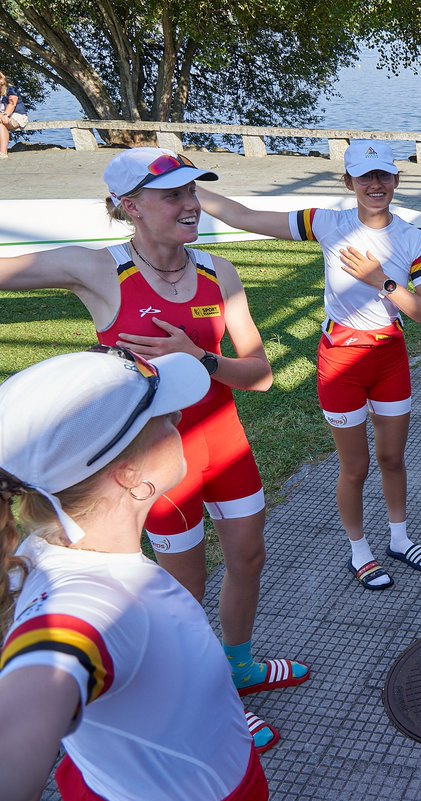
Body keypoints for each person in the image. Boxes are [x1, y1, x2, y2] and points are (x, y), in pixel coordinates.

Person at [0, 148, 307, 750]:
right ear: (129, 207)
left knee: (248, 557)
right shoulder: (99, 270)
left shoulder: (220, 271)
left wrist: (200, 360)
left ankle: (239, 665)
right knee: (181, 588)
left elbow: (262, 374)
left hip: (225, 445)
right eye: (173, 196)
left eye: (192, 193)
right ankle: (209, 691)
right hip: (155, 465)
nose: (190, 205)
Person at [0, 348, 270, 800]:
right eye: (163, 415)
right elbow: (39, 682)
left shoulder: (40, 551)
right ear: (130, 476)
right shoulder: (94, 604)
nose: (180, 417)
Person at [197, 140, 421, 591]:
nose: (375, 185)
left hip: (388, 356)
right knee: (355, 466)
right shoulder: (327, 223)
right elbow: (245, 217)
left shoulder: (413, 238)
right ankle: (360, 550)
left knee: (392, 458)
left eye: (383, 176)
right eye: (365, 177)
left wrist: (382, 281)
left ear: (395, 180)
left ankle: (399, 537)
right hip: (340, 359)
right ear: (348, 182)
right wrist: (188, 187)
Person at [0, 71, 29, 159]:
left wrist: (5, 115)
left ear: (2, 79)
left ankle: (3, 153)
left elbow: (12, 103)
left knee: (1, 122)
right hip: (2, 117)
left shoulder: (11, 89)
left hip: (17, 116)